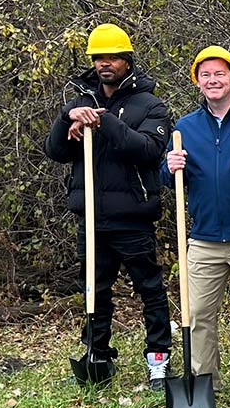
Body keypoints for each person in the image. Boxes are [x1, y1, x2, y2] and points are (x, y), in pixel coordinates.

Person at [43, 23, 173, 389]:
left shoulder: (150, 104)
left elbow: (147, 150)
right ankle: (96, 355)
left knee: (150, 289)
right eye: (99, 57)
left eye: (112, 57)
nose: (105, 63)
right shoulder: (79, 102)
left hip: (133, 217)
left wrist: (103, 123)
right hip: (91, 217)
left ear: (127, 60)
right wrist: (66, 122)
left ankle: (158, 360)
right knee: (94, 291)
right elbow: (54, 151)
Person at [161, 46, 230, 400]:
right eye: (205, 75)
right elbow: (167, 178)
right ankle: (204, 380)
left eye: (220, 74)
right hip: (204, 238)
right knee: (196, 314)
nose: (213, 80)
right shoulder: (184, 128)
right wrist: (170, 166)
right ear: (197, 82)